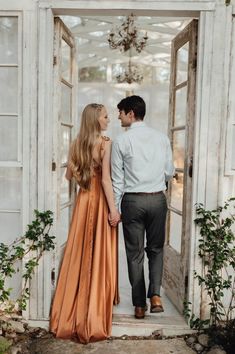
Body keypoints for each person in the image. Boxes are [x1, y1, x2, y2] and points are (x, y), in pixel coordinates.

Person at [50, 103, 120, 343]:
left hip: (83, 201)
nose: (108, 120)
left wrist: (83, 175)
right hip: (100, 201)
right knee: (98, 252)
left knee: (80, 251)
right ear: (95, 120)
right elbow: (107, 181)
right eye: (105, 117)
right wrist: (113, 210)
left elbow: (69, 176)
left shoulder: (76, 143)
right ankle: (93, 310)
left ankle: (70, 310)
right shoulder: (105, 143)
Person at [111, 95, 174, 320]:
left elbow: (117, 180)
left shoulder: (121, 141)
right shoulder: (161, 138)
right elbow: (169, 171)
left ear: (130, 113)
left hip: (133, 201)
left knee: (134, 254)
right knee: (155, 250)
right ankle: (155, 296)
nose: (118, 116)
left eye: (120, 112)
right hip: (157, 199)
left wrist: (115, 209)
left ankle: (139, 305)